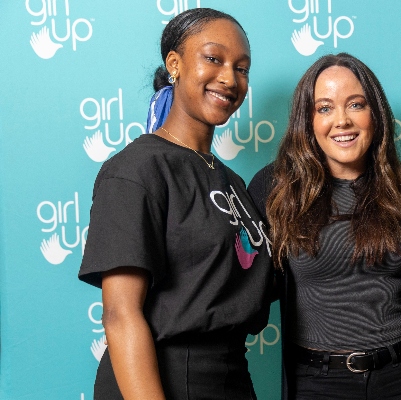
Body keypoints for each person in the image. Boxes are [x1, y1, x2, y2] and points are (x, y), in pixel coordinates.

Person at [78, 8, 272, 399]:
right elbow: (120, 315)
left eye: (242, 68)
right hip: (163, 378)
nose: (229, 78)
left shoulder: (232, 182)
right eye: (213, 58)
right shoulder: (137, 168)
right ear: (174, 64)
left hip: (231, 376)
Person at [247, 53, 401, 400]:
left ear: (375, 113)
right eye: (325, 108)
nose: (342, 121)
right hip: (317, 382)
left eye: (356, 105)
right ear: (307, 120)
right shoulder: (274, 188)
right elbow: (243, 286)